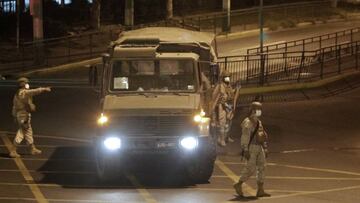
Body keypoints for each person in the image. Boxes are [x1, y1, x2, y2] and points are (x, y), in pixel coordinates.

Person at [233, 101, 270, 197]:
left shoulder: (258, 121)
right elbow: (245, 136)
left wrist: (265, 147)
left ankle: (260, 190)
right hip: (252, 147)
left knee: (262, 167)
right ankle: (239, 184)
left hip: (259, 146)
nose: (260, 111)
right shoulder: (247, 122)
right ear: (253, 110)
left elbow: (262, 135)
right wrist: (245, 149)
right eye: (258, 109)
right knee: (250, 168)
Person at [9, 77, 51, 158]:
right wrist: (44, 89)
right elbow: (33, 91)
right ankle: (13, 150)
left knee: (28, 131)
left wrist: (14, 116)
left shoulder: (17, 94)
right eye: (26, 82)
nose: (27, 84)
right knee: (22, 132)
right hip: (23, 115)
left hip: (22, 115)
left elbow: (14, 107)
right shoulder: (23, 92)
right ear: (23, 84)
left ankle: (32, 148)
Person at [213, 70, 235, 147]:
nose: (228, 78)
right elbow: (216, 96)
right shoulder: (220, 86)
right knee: (222, 123)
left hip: (229, 106)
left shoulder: (229, 86)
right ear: (223, 78)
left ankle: (225, 137)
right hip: (221, 107)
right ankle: (221, 139)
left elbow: (231, 95)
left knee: (228, 123)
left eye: (228, 77)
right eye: (226, 77)